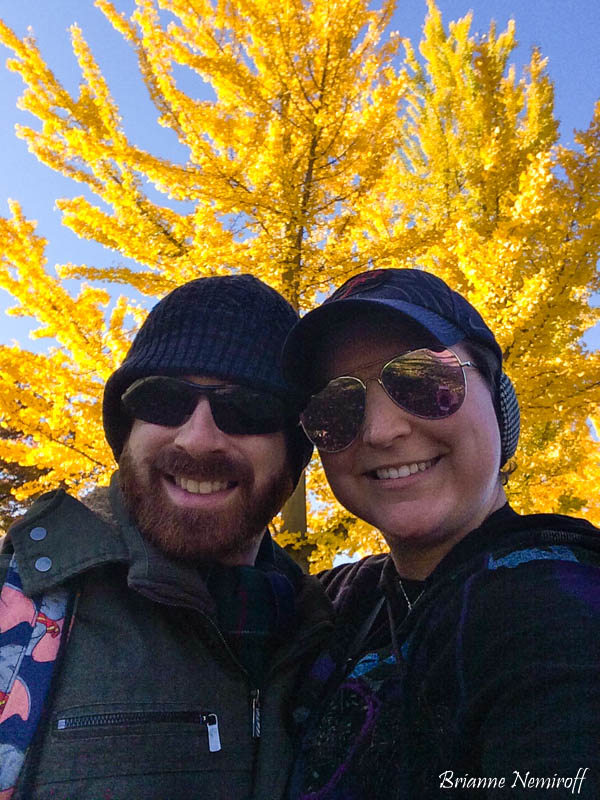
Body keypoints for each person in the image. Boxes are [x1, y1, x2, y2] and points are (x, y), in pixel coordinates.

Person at [0, 274, 334, 799]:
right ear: (126, 428)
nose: (198, 438)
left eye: (247, 408)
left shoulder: (336, 637)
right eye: (163, 400)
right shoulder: (17, 609)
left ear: (293, 455)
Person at [282, 268, 600, 799]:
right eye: (337, 408)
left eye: (424, 382)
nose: (382, 431)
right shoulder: (334, 606)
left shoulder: (555, 605)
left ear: (499, 405)